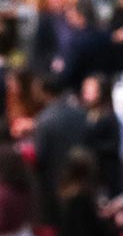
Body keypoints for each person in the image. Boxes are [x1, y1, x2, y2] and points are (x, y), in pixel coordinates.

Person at [28, 75, 89, 226]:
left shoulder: (44, 119)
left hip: (54, 185)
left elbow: (40, 156)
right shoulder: (80, 113)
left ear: (45, 92)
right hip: (82, 181)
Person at [81, 74, 123, 199]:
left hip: (106, 175)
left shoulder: (109, 117)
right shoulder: (83, 115)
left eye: (90, 89)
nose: (85, 92)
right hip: (88, 173)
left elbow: (113, 145)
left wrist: (91, 147)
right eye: (85, 88)